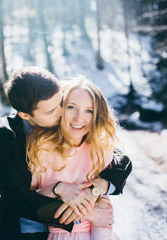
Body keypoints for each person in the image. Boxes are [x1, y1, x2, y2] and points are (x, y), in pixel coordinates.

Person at [0, 66, 132, 240]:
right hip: (21, 230)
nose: (62, 112)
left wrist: (97, 188)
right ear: (24, 115)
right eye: (52, 111)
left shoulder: (62, 111)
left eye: (61, 103)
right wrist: (87, 212)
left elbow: (117, 157)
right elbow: (19, 199)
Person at [26, 76, 118, 240]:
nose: (78, 118)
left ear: (97, 115)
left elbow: (103, 212)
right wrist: (87, 211)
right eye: (71, 107)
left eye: (89, 111)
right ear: (60, 109)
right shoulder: (42, 147)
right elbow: (30, 201)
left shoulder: (100, 149)